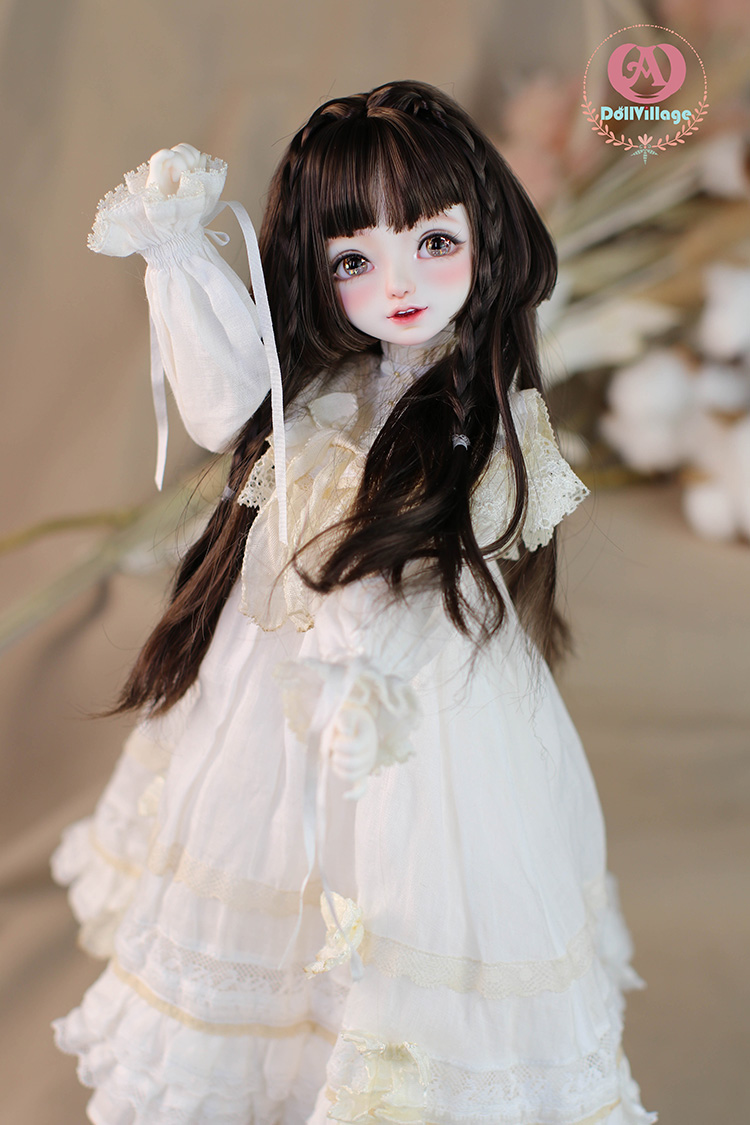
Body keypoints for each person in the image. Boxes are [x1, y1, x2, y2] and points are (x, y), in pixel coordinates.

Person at [51, 80, 657, 1125]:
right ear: (318, 273)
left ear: (485, 239)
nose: (398, 282)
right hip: (280, 694)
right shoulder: (327, 399)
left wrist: (365, 644)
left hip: (415, 705)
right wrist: (178, 260)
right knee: (273, 883)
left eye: (433, 242)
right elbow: (223, 406)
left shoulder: (482, 422)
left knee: (407, 895)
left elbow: (470, 544)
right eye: (353, 261)